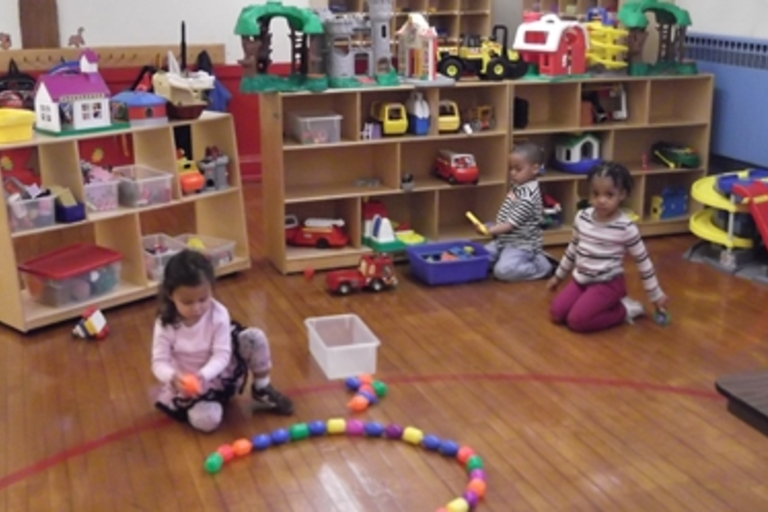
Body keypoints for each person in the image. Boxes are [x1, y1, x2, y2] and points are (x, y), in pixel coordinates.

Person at [151, 249, 294, 432]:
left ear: (211, 288)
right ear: (171, 296)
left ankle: (262, 387)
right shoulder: (165, 323)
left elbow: (222, 355)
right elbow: (159, 362)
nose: (197, 308)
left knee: (254, 337)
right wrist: (173, 377)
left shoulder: (218, 314)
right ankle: (205, 403)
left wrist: (203, 375)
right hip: (189, 386)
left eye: (203, 299)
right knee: (207, 422)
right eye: (187, 302)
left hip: (220, 372)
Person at [547, 162, 668, 332]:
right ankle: (593, 302)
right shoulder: (582, 217)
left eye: (609, 195)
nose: (601, 200)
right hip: (581, 279)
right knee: (556, 313)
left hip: (608, 284)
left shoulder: (626, 228)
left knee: (577, 322)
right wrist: (558, 277)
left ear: (622, 195)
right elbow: (572, 249)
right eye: (595, 194)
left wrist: (655, 295)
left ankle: (625, 309)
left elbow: (643, 262)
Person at [477, 142, 556, 281]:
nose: (512, 173)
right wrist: (492, 226)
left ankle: (542, 266)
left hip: (521, 246)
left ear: (535, 169)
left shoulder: (528, 196)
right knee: (478, 259)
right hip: (503, 241)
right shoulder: (519, 186)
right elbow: (508, 213)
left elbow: (510, 225)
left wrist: (490, 231)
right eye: (511, 168)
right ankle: (505, 259)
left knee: (502, 272)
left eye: (518, 169)